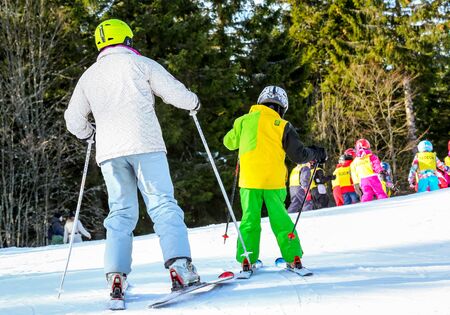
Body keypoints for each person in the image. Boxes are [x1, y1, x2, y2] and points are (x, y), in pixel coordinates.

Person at [64, 19, 202, 303]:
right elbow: (174, 92)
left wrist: (91, 133)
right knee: (162, 203)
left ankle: (116, 277)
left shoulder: (89, 76)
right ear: (126, 39)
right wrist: (194, 103)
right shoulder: (140, 64)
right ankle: (179, 268)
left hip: (109, 152)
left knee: (120, 212)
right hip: (145, 144)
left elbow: (73, 120)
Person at [223, 85, 327, 271]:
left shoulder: (243, 121)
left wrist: (239, 133)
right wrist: (316, 153)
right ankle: (293, 256)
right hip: (273, 182)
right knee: (280, 220)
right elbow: (299, 155)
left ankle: (247, 259)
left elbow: (228, 142)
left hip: (249, 182)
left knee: (249, 220)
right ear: (283, 107)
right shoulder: (282, 125)